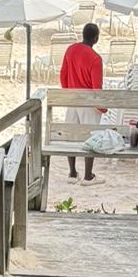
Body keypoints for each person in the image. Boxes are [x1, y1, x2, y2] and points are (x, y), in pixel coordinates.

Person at [58, 23, 104, 183]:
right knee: (90, 138)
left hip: (72, 99)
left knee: (71, 136)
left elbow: (63, 74)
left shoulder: (70, 50)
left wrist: (68, 93)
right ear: (96, 38)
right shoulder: (96, 59)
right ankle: (88, 175)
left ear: (83, 35)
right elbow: (97, 88)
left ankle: (72, 173)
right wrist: (102, 108)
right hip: (88, 103)